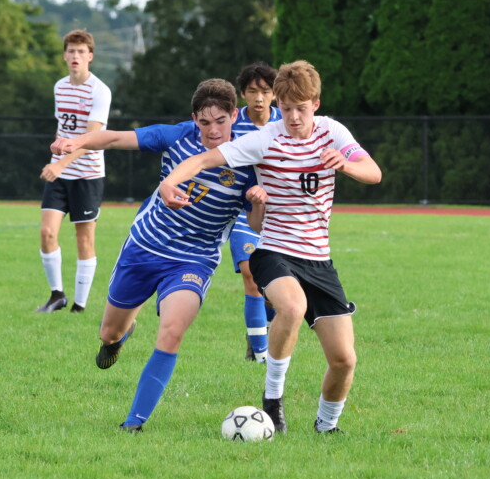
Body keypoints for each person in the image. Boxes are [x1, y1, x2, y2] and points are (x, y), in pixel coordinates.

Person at [158, 60, 382, 434]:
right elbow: (204, 159)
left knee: (344, 360)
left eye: (301, 108)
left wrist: (345, 164)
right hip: (274, 252)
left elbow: (373, 172)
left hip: (319, 261)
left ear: (316, 104)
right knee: (293, 308)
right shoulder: (266, 139)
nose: (293, 116)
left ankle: (326, 427)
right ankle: (273, 399)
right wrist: (169, 184)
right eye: (287, 107)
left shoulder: (332, 132)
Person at [50, 78, 265, 433]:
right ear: (194, 118)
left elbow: (255, 226)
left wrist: (257, 204)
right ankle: (120, 335)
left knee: (172, 330)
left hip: (193, 260)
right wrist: (79, 141)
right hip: (144, 248)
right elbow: (116, 137)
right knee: (107, 332)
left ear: (234, 115)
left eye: (221, 121)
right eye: (205, 122)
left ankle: (134, 422)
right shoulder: (176, 135)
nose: (213, 131)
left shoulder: (247, 158)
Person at [36, 29, 112, 314]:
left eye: (81, 52)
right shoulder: (59, 87)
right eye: (71, 51)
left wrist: (60, 163)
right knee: (47, 232)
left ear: (90, 56)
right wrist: (57, 147)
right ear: (65, 55)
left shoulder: (100, 91)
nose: (75, 56)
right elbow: (64, 129)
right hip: (61, 175)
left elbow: (92, 139)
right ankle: (57, 295)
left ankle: (79, 306)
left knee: (84, 239)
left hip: (88, 175)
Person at [230, 62, 281, 363]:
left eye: (265, 91)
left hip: (279, 215)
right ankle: (260, 355)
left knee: (273, 287)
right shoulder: (233, 126)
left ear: (275, 94)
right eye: (252, 91)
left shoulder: (285, 122)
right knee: (250, 274)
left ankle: (263, 327)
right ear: (243, 94)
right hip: (242, 210)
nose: (259, 98)